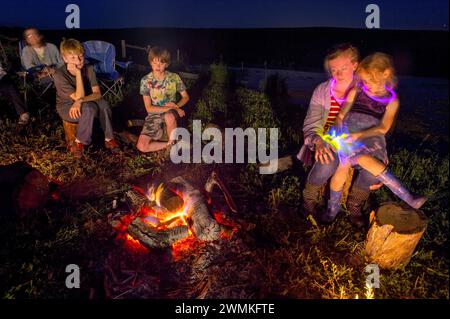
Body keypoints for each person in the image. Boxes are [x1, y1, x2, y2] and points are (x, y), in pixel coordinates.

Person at [321, 52, 426, 223]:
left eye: (370, 81)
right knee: (343, 164)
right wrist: (340, 132)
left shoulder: (392, 101)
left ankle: (405, 197)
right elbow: (340, 116)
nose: (366, 84)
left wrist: (360, 135)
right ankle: (332, 209)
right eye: (364, 80)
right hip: (348, 134)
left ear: (385, 74)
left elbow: (383, 128)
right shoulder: (357, 91)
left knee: (367, 161)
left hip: (371, 137)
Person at [298, 43, 380, 227]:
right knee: (326, 163)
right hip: (329, 141)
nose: (338, 73)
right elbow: (312, 123)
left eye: (343, 68)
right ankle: (309, 200)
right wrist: (318, 141)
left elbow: (377, 126)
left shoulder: (367, 92)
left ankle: (354, 205)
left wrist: (380, 153)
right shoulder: (321, 91)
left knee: (373, 171)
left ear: (355, 65)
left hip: (359, 143)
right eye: (334, 69)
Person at [53, 38, 120, 158]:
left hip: (85, 101)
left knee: (103, 104)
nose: (78, 61)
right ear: (65, 59)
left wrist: (80, 101)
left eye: (80, 56)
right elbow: (78, 96)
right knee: (89, 107)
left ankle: (109, 138)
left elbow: (97, 94)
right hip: (68, 107)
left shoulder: (88, 69)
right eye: (73, 58)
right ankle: (80, 142)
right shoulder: (59, 75)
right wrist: (78, 73)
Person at [136, 46, 189, 153]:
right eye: (155, 62)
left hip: (171, 111)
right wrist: (169, 106)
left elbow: (186, 97)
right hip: (154, 113)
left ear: (167, 64)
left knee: (169, 116)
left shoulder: (174, 77)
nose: (158, 66)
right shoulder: (146, 81)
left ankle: (172, 146)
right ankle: (169, 144)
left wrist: (176, 107)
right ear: (150, 62)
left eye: (161, 63)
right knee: (141, 146)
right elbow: (149, 108)